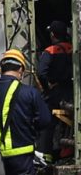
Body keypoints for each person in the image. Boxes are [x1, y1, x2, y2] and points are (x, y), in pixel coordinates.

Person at [0, 49, 51, 175]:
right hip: (22, 156)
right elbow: (45, 120)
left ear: (2, 68)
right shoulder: (30, 92)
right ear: (21, 69)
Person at [37, 20, 73, 163]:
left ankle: (46, 154)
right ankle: (67, 153)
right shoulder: (73, 49)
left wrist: (47, 87)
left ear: (52, 34)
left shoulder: (50, 51)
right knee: (70, 122)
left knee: (47, 121)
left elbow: (41, 72)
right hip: (72, 92)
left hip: (55, 92)